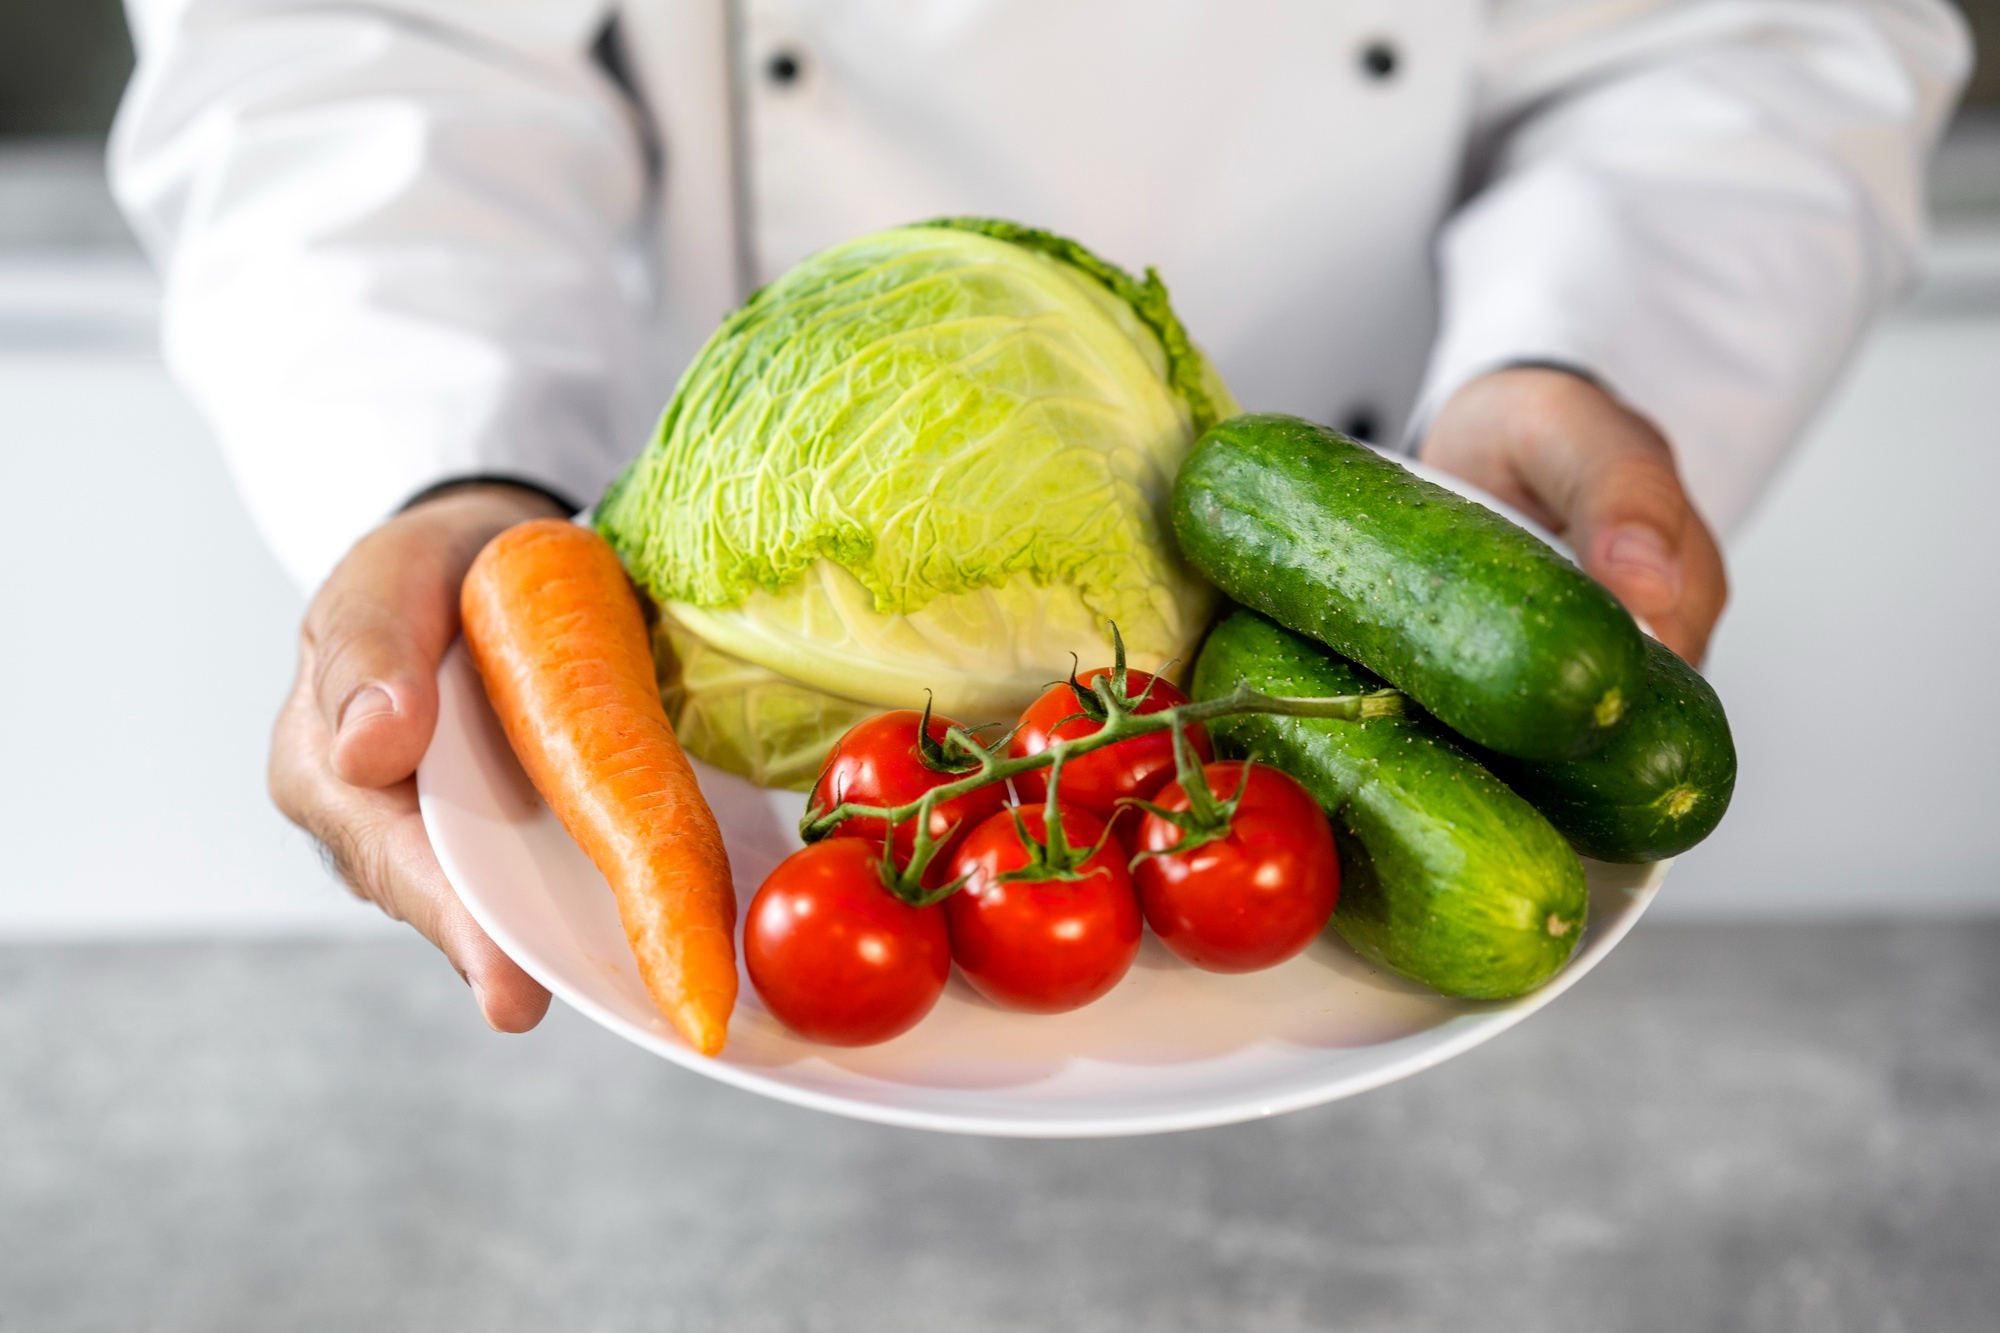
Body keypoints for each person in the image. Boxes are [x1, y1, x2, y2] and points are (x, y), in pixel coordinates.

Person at [110, 1, 1968, 1031]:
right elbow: (353, 46)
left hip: (1376, 565)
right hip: (751, 755)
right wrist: (453, 464)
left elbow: (1753, 31)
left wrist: (1584, 348)